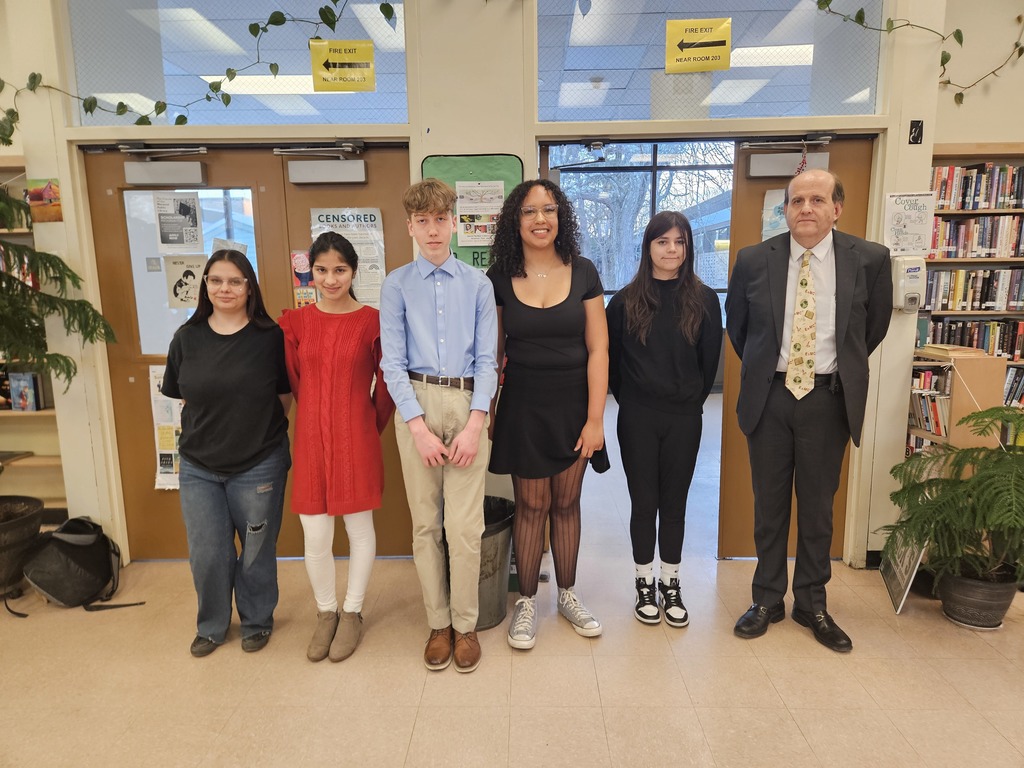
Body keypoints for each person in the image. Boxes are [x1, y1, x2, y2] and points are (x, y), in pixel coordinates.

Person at [725, 169, 892, 652]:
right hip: (772, 396)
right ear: (785, 210)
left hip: (828, 398)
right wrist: (770, 371)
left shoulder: (870, 260)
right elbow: (740, 329)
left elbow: (870, 329)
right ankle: (766, 599)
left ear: (836, 208)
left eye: (817, 199)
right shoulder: (755, 260)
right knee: (769, 504)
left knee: (818, 508)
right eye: (796, 200)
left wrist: (831, 370)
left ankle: (812, 603)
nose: (806, 209)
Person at [380, 178, 498, 674]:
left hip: (468, 401)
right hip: (417, 402)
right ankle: (438, 623)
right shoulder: (396, 284)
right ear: (410, 226)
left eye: (440, 219)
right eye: (422, 220)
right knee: (426, 524)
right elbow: (391, 363)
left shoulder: (478, 284)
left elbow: (490, 360)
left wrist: (476, 424)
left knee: (465, 527)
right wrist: (418, 428)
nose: (432, 229)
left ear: (454, 223)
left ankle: (466, 625)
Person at [487, 179, 608, 650]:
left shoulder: (585, 272)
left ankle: (569, 595)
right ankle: (527, 601)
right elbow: (493, 354)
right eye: (530, 211)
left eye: (550, 210)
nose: (541, 219)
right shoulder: (498, 276)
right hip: (523, 404)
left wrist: (595, 419)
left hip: (574, 404)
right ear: (515, 221)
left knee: (566, 503)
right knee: (532, 505)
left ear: (562, 218)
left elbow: (599, 349)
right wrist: (491, 409)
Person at [161, 250, 292, 658]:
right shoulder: (187, 337)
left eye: (235, 281)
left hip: (259, 462)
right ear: (205, 286)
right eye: (216, 280)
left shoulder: (270, 337)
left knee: (256, 550)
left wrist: (253, 429)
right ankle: (212, 625)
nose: (225, 289)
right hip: (199, 466)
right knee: (208, 551)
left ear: (249, 287)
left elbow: (284, 396)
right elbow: (182, 396)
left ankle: (256, 620)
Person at [279, 231, 394, 663]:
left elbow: (386, 385)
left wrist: (367, 424)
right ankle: (326, 612)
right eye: (322, 270)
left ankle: (352, 612)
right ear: (311, 271)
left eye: (339, 270)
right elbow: (294, 381)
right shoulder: (294, 322)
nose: (330, 279)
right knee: (316, 532)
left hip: (356, 437)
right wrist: (312, 419)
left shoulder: (372, 321)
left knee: (358, 528)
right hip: (309, 439)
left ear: (353, 272)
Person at [607, 210, 722, 628]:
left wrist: (688, 400)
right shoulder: (624, 301)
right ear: (649, 247)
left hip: (684, 418)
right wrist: (635, 400)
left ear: (688, 248)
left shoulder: (705, 299)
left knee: (674, 503)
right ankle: (643, 584)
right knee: (644, 503)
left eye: (679, 242)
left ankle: (671, 582)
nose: (671, 250)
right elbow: (613, 366)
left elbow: (709, 364)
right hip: (637, 417)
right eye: (662, 242)